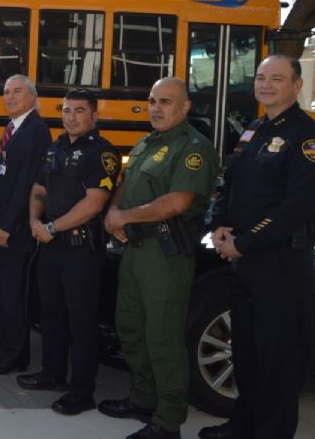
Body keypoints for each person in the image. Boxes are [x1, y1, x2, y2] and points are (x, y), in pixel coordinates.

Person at [198, 55, 315, 439]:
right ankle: (243, 425)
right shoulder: (253, 130)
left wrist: (244, 243)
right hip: (242, 259)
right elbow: (228, 183)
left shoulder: (305, 137)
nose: (266, 85)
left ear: (296, 86)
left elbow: (296, 207)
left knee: (277, 359)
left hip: (278, 262)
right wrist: (218, 228)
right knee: (244, 351)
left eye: (277, 79)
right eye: (261, 77)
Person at [101, 77, 219, 439]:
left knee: (163, 336)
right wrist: (114, 212)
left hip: (165, 256)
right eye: (152, 100)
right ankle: (142, 398)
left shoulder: (193, 147)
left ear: (185, 108)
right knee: (130, 327)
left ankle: (168, 420)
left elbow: (178, 202)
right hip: (135, 251)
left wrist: (125, 217)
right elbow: (126, 181)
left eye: (165, 101)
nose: (155, 107)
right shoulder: (146, 143)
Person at [18, 89, 121, 416]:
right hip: (50, 245)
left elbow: (94, 203)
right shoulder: (56, 147)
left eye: (79, 111)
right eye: (66, 110)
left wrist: (51, 227)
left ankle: (82, 391)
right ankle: (53, 374)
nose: (71, 117)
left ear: (94, 116)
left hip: (80, 250)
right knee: (51, 315)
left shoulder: (103, 153)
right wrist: (35, 220)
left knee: (81, 322)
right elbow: (39, 189)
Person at [0, 74, 51, 374]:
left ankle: (15, 355)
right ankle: (3, 346)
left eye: (17, 92)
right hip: (0, 225)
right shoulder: (14, 127)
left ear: (32, 97)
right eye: (6, 92)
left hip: (15, 231)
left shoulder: (36, 130)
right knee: (1, 292)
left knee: (13, 295)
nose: (10, 97)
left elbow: (26, 185)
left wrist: (8, 225)